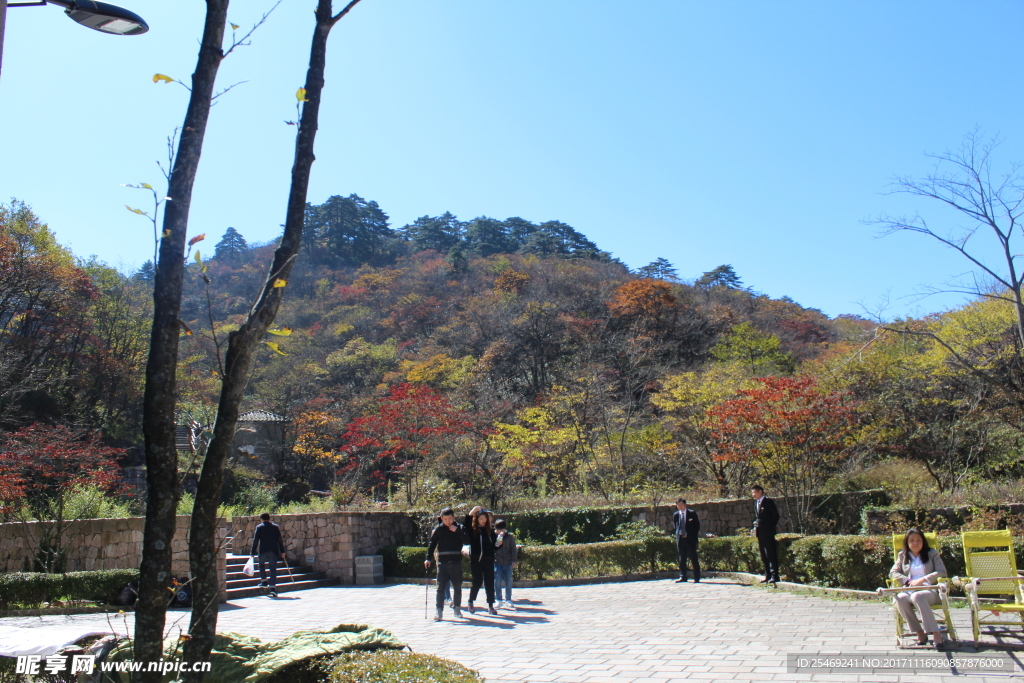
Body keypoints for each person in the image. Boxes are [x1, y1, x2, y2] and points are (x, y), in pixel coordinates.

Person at [890, 529, 949, 649]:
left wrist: (923, 580)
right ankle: (920, 633)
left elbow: (942, 572)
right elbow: (893, 572)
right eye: (911, 540)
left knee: (918, 596)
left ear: (923, 541)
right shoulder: (903, 555)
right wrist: (907, 581)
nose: (915, 543)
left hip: (930, 590)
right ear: (907, 543)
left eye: (918, 540)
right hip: (910, 589)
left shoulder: (931, 553)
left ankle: (936, 634)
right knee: (900, 598)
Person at [425, 507, 468, 621]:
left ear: (454, 517)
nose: (448, 521)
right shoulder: (439, 529)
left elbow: (468, 540)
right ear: (441, 519)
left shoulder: (460, 527)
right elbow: (432, 544)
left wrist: (457, 531)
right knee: (440, 588)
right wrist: (428, 558)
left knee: (457, 587)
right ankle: (439, 612)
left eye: (450, 518)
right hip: (442, 562)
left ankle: (457, 609)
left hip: (456, 562)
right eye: (445, 519)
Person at [464, 505, 499, 615]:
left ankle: (490, 605)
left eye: (485, 518)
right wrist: (472, 511)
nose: (483, 521)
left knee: (489, 582)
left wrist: (499, 543)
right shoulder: (473, 530)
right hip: (476, 560)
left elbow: (495, 546)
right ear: (477, 519)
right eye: (481, 518)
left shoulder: (490, 531)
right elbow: (466, 524)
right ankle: (470, 601)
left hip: (489, 559)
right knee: (477, 581)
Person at [251, 512, 286, 597]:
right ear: (269, 518)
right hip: (273, 551)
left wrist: (252, 552)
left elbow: (255, 540)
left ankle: (264, 581)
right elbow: (279, 540)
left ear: (261, 519)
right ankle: (273, 588)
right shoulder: (275, 527)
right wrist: (282, 551)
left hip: (263, 550)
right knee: (273, 569)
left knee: (261, 565)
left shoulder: (259, 527)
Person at [751, 485, 780, 584]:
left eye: (754, 492)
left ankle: (774, 575)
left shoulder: (768, 502)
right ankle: (767, 574)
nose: (753, 495)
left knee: (770, 554)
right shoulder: (756, 503)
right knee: (764, 555)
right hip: (760, 533)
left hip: (768, 533)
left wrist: (768, 525)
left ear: (760, 492)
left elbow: (775, 516)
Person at [672, 498, 701, 583]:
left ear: (685, 504)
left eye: (681, 505)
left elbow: (697, 526)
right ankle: (683, 576)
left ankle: (696, 577)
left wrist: (693, 536)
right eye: (678, 505)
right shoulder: (676, 515)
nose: (680, 506)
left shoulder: (691, 513)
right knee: (682, 559)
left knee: (693, 558)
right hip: (681, 539)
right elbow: (676, 526)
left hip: (690, 539)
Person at [493, 518, 518, 609]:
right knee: (497, 581)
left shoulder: (510, 537)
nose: (500, 531)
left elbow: (513, 549)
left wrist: (514, 560)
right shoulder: (493, 535)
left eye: (502, 529)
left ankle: (508, 600)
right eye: (498, 529)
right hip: (497, 562)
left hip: (507, 562)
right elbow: (494, 547)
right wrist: (499, 538)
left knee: (508, 582)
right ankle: (498, 600)